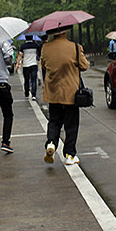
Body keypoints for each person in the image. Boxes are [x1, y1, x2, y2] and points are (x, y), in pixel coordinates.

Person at [40, 26, 89, 165]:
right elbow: (84, 66)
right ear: (65, 31)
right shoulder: (74, 47)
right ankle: (70, 155)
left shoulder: (46, 48)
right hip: (71, 92)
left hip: (53, 92)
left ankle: (51, 144)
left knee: (54, 121)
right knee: (71, 124)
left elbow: (44, 65)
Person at [16, 35, 41, 100]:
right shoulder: (36, 45)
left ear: (25, 38)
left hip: (26, 65)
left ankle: (27, 94)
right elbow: (39, 54)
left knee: (26, 80)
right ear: (32, 38)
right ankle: (34, 95)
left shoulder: (23, 46)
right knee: (33, 80)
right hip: (34, 64)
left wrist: (17, 63)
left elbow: (20, 55)